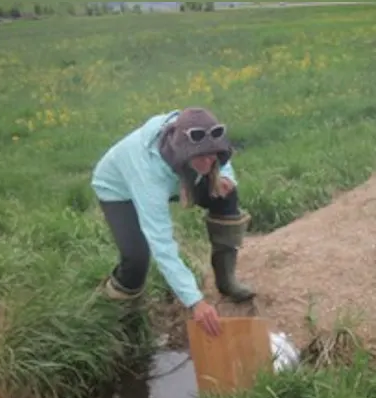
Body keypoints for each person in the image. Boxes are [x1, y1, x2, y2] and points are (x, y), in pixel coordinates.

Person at [91, 107, 255, 337]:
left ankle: (226, 281)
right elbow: (162, 243)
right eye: (202, 156)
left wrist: (226, 177)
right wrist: (195, 301)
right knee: (137, 259)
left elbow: (219, 157)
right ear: (184, 152)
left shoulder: (197, 137)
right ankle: (114, 313)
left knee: (226, 193)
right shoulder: (147, 172)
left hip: (177, 175)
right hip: (119, 192)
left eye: (213, 155)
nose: (210, 161)